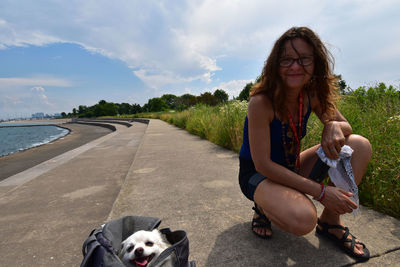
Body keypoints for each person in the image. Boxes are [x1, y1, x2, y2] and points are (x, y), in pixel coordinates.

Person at [238, 26, 371, 261]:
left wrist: (333, 125)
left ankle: (330, 222)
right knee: (302, 219)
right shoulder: (261, 102)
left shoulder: (311, 95)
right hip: (258, 174)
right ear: (274, 65)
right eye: (287, 59)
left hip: (291, 166)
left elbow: (346, 126)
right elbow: (263, 165)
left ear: (315, 62)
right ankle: (263, 206)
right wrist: (321, 192)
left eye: (304, 59)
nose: (295, 66)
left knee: (359, 145)